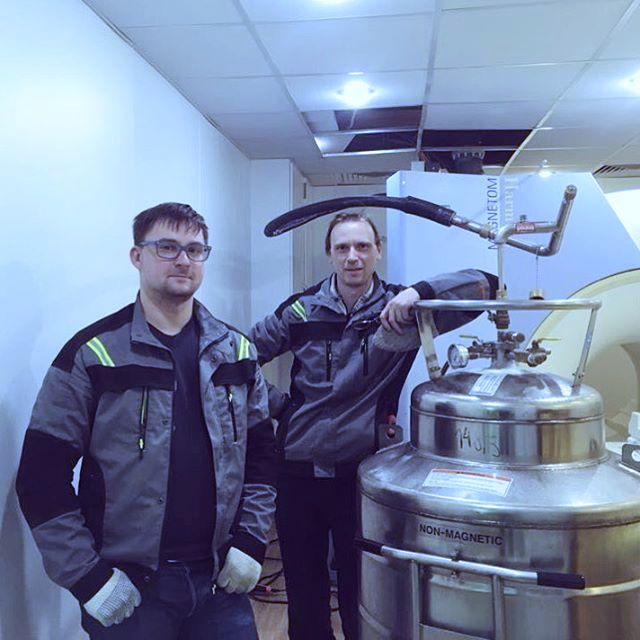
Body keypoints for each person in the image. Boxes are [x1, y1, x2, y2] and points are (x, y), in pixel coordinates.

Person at [16, 202, 277, 639]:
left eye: (195, 249)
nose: (183, 260)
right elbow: (40, 478)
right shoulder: (94, 355)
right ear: (137, 256)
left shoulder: (236, 351)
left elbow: (262, 458)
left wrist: (251, 540)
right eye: (167, 247)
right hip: (131, 589)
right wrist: (87, 577)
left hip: (219, 581)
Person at [249, 211, 498, 640]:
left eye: (362, 246)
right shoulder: (300, 310)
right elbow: (239, 357)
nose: (353, 257)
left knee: (362, 591)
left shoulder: (403, 310)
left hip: (363, 477)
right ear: (329, 254)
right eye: (342, 248)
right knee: (305, 592)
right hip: (297, 470)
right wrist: (281, 408)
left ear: (378, 251)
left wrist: (418, 292)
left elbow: (486, 285)